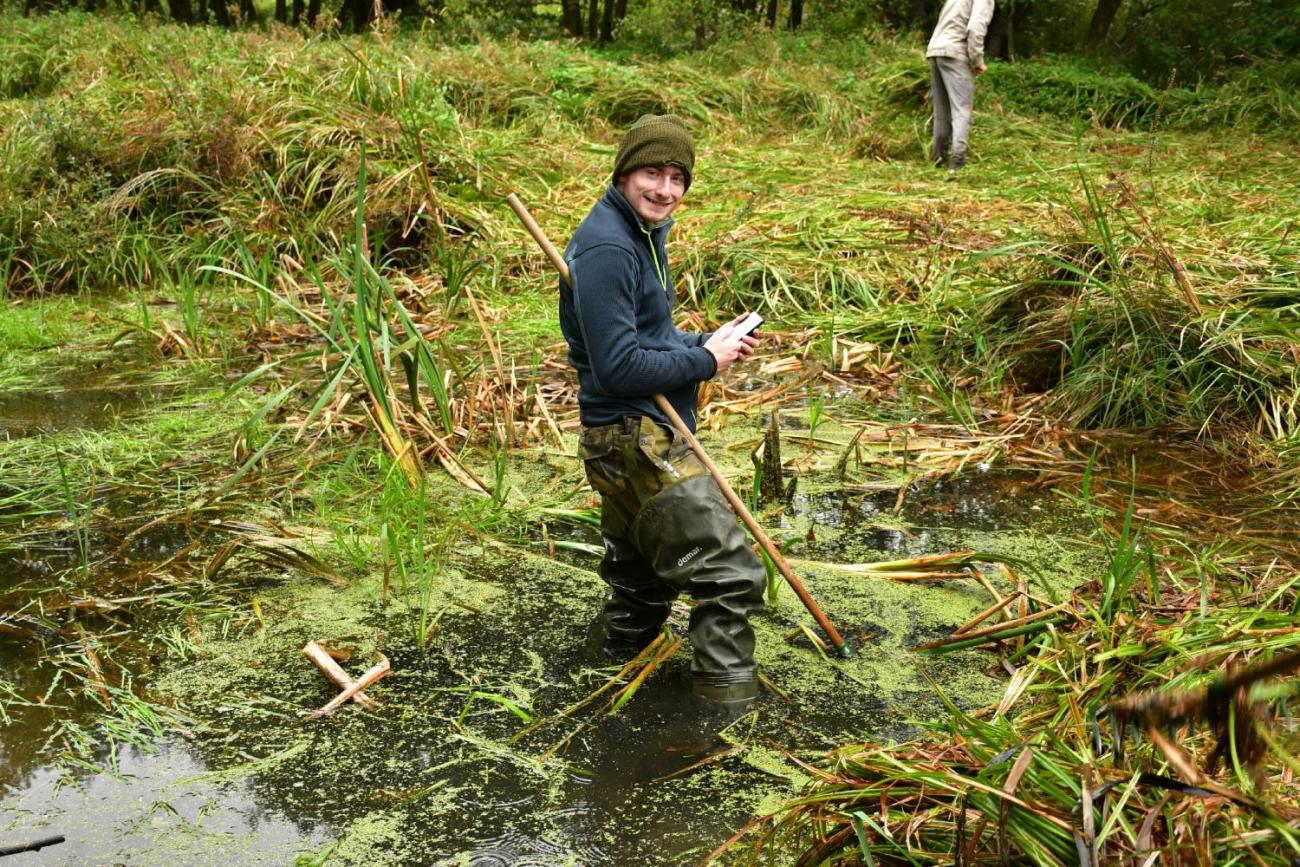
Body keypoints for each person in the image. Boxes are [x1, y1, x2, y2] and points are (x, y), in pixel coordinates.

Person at [558, 113, 765, 709]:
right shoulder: (607, 248)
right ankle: (722, 724)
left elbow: (646, 336)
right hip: (636, 439)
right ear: (625, 173)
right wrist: (708, 364)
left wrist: (700, 344)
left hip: (628, 435)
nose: (665, 189)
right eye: (653, 172)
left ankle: (604, 690)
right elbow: (619, 367)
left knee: (641, 581)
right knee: (731, 577)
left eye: (678, 178)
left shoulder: (642, 235)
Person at [926, 0, 995, 171]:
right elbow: (975, 28)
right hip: (955, 51)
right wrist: (977, 60)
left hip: (935, 50)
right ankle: (957, 161)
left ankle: (937, 158)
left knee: (941, 111)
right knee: (962, 109)